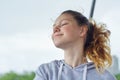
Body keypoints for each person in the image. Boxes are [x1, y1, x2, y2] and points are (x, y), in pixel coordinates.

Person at [34, 10, 116, 80]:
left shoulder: (104, 77)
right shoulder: (46, 71)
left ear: (82, 30)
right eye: (54, 26)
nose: (55, 29)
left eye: (63, 24)